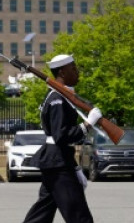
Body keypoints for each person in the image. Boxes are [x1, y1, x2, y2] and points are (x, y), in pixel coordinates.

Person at [22, 54, 102, 223]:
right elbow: (61, 136)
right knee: (79, 216)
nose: (77, 72)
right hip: (58, 164)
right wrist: (88, 124)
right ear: (62, 72)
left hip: (58, 160)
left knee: (41, 214)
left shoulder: (60, 96)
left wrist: (75, 167)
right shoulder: (57, 99)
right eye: (73, 68)